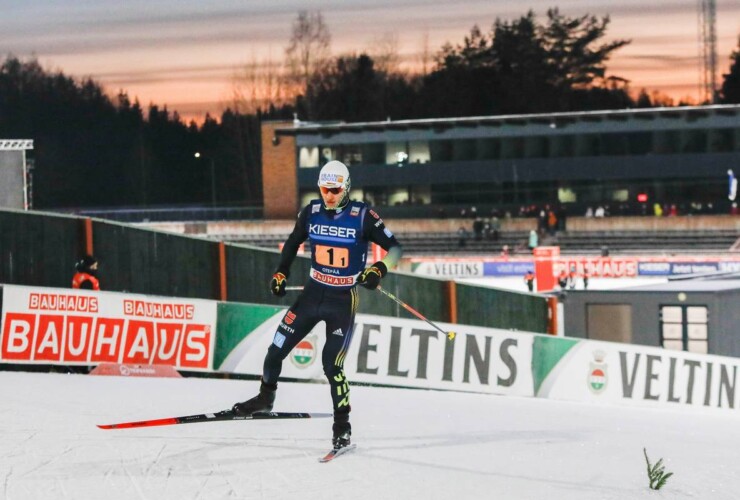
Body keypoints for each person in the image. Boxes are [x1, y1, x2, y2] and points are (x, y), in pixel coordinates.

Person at [231, 160, 402, 451]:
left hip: (341, 299)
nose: (329, 195)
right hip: (311, 295)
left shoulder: (363, 216)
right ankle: (265, 398)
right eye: (324, 189)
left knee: (331, 365)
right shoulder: (310, 212)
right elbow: (292, 242)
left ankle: (342, 427)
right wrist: (281, 272)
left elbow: (395, 248)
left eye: (335, 190)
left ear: (346, 187)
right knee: (275, 350)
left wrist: (378, 270)